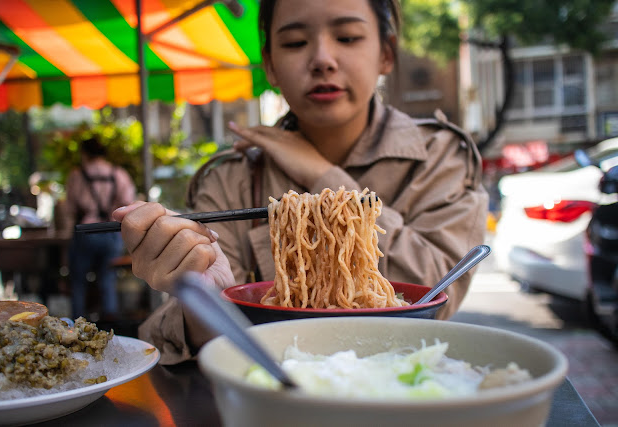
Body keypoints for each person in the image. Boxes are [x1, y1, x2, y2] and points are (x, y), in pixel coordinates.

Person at [112, 0, 488, 364]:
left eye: (348, 37)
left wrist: (318, 173)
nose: (323, 59)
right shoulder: (232, 178)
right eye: (295, 43)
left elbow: (439, 295)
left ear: (386, 54)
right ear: (270, 66)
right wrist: (206, 301)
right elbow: (162, 338)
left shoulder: (441, 155)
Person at [66, 137, 136, 319]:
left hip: (86, 231)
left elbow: (70, 206)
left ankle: (76, 324)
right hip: (111, 231)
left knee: (79, 281)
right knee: (108, 278)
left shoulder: (77, 174)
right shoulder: (118, 174)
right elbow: (128, 203)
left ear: (85, 153)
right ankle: (109, 324)